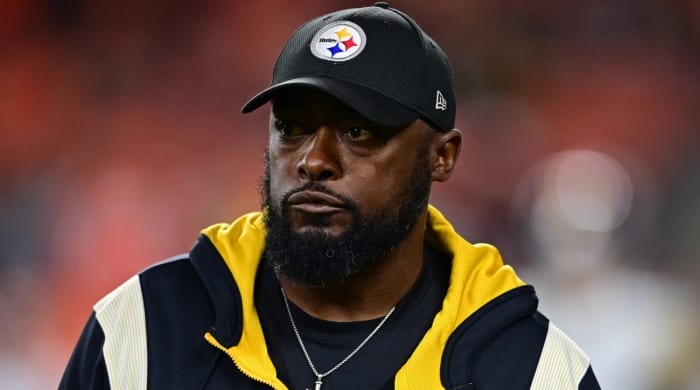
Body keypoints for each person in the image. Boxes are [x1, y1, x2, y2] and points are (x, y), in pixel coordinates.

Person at [60, 3, 600, 389]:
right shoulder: (144, 328)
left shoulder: (532, 371)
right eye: (291, 127)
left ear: (443, 156)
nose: (312, 160)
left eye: (359, 132)